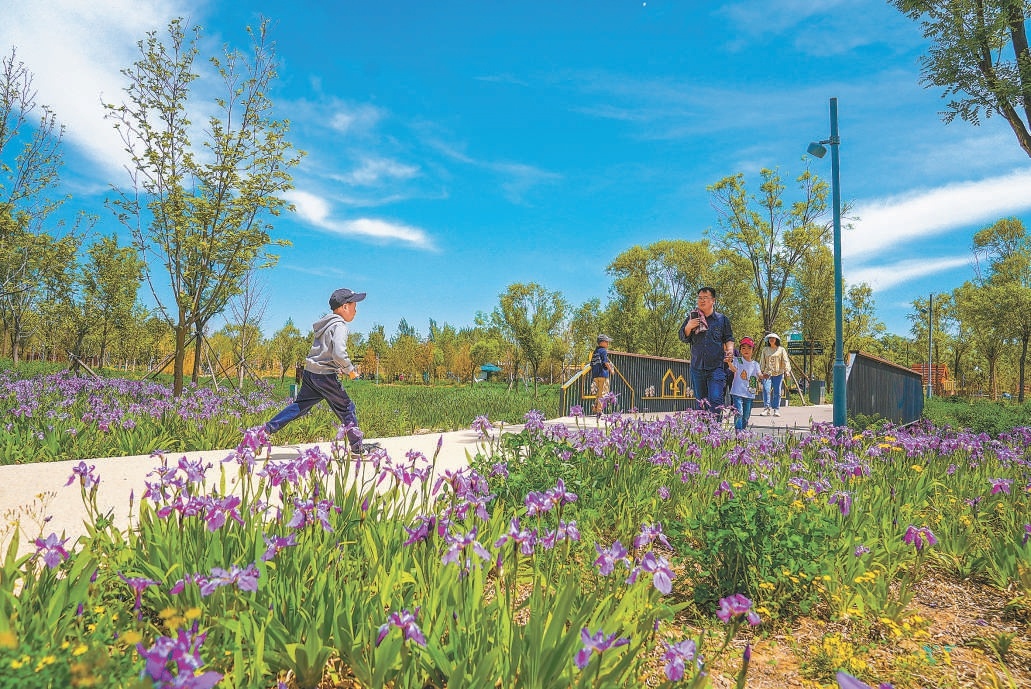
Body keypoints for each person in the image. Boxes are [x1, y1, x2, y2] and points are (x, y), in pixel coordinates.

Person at [265, 288, 377, 454]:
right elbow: (339, 353)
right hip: (325, 377)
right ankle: (357, 448)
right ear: (345, 307)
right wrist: (350, 370)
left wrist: (335, 366)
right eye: (354, 306)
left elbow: (323, 352)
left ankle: (266, 430)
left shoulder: (324, 325)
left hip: (311, 374)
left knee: (299, 406)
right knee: (346, 408)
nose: (356, 310)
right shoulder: (340, 326)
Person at [679, 286, 735, 413]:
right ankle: (703, 426)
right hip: (697, 367)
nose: (702, 300)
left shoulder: (722, 319)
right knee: (701, 403)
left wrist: (730, 350)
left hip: (716, 368)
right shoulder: (692, 318)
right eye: (700, 298)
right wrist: (688, 327)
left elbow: (729, 338)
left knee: (716, 400)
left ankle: (715, 426)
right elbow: (682, 337)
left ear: (713, 300)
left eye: (705, 298)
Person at [727, 336, 763, 430]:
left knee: (746, 415)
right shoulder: (738, 360)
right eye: (743, 348)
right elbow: (734, 369)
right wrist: (729, 363)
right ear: (740, 350)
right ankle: (738, 433)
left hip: (749, 393)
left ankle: (743, 432)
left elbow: (760, 375)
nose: (746, 350)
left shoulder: (755, 364)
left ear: (753, 350)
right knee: (739, 413)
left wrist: (765, 376)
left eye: (749, 348)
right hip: (737, 392)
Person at [759, 332, 791, 417]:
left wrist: (787, 370)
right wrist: (760, 371)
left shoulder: (781, 349)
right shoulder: (765, 350)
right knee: (766, 390)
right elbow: (762, 361)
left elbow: (785, 360)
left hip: (778, 373)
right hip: (767, 373)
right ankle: (766, 408)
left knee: (777, 392)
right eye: (770, 338)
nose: (771, 340)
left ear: (776, 340)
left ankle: (776, 409)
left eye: (773, 338)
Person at [590, 334, 615, 415]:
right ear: (602, 342)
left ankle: (595, 407)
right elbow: (605, 362)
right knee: (604, 393)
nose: (608, 343)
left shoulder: (595, 352)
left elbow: (591, 364)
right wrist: (611, 370)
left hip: (595, 376)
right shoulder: (603, 351)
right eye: (607, 342)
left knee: (599, 393)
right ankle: (599, 411)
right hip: (603, 375)